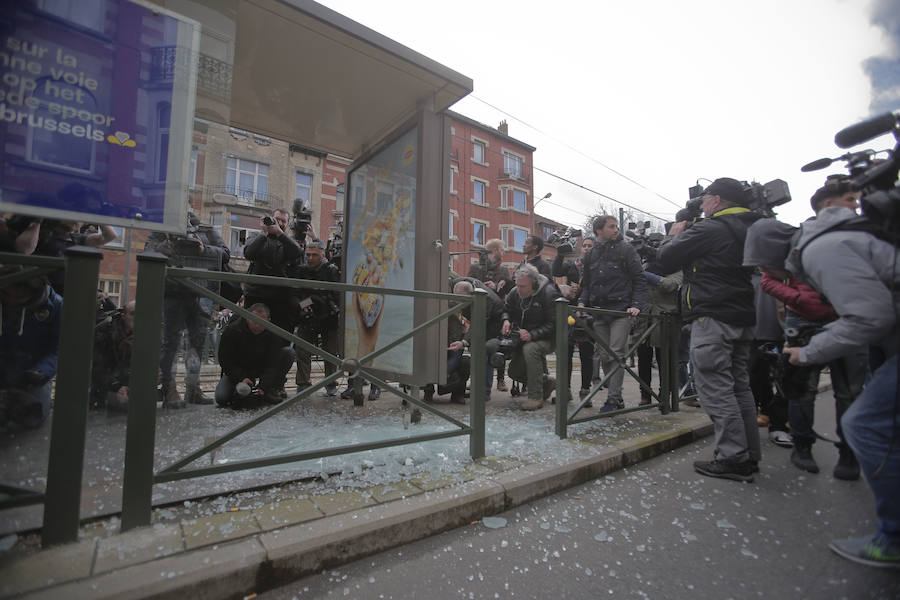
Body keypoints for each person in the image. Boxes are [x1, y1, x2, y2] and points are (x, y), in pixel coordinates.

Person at [780, 197, 899, 567]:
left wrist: (810, 351)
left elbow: (870, 317)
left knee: (865, 421)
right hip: (859, 333)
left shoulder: (822, 248)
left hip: (850, 329)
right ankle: (806, 447)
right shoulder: (843, 238)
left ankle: (893, 539)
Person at [657, 177, 763, 482]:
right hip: (742, 315)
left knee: (716, 388)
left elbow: (666, 259)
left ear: (716, 200)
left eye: (704, 200)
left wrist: (674, 235)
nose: (701, 206)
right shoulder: (750, 227)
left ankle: (732, 457)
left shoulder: (712, 228)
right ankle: (748, 454)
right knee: (739, 387)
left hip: (713, 317)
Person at [745, 215, 865, 479]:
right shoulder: (784, 259)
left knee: (849, 391)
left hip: (846, 319)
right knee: (800, 388)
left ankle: (849, 452)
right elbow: (767, 281)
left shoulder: (836, 248)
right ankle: (802, 446)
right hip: (802, 320)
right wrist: (800, 298)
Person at [145, 212, 230, 408]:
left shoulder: (206, 229)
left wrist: (203, 249)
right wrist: (170, 243)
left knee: (197, 343)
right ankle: (169, 389)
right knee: (170, 343)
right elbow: (148, 253)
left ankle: (193, 389)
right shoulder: (162, 230)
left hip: (201, 293)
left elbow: (225, 254)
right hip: (172, 293)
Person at [578, 215, 647, 412]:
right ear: (599, 230)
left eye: (616, 226)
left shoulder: (626, 249)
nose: (616, 229)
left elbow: (639, 278)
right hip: (599, 311)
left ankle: (613, 399)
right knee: (604, 355)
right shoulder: (591, 254)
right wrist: (582, 302)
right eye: (611, 226)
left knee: (616, 354)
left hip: (621, 310)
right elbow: (587, 283)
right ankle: (616, 393)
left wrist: (636, 305)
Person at [0, 270, 61, 429]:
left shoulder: (55, 306)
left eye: (19, 296)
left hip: (31, 373)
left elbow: (61, 347)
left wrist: (41, 371)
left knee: (32, 415)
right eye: (6, 294)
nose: (12, 300)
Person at [498, 263, 558, 410]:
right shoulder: (515, 292)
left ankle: (535, 397)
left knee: (531, 349)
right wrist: (506, 320)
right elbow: (506, 309)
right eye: (517, 285)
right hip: (524, 336)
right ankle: (547, 382)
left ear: (534, 283)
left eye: (523, 286)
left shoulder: (549, 294)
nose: (519, 289)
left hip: (549, 337)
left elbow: (554, 324)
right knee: (514, 372)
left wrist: (532, 335)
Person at [215, 303, 296, 408]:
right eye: (254, 320)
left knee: (288, 353)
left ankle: (273, 388)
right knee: (221, 398)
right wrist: (241, 377)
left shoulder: (273, 334)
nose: (258, 325)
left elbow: (272, 363)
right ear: (247, 318)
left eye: (262, 321)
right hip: (239, 369)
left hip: (261, 368)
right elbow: (225, 360)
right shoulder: (233, 330)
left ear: (268, 320)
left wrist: (263, 386)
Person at [291, 239, 341, 396]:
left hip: (328, 316)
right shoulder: (301, 270)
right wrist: (305, 304)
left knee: (330, 352)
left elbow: (337, 295)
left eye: (314, 255)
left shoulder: (331, 270)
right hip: (308, 315)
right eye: (308, 255)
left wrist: (315, 300)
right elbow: (295, 294)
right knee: (302, 350)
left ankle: (331, 382)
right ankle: (303, 383)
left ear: (323, 255)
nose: (310, 258)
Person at [243, 209, 303, 336]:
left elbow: (296, 252)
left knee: (279, 335)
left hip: (280, 297)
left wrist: (280, 233)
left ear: (287, 224)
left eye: (283, 221)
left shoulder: (288, 241)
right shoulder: (256, 237)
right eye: (277, 219)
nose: (279, 223)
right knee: (251, 332)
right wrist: (264, 234)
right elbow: (249, 253)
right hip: (256, 294)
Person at [467, 238, 514, 393]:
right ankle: (475, 379)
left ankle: (500, 379)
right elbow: (468, 285)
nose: (504, 252)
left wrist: (496, 287)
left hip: (497, 314)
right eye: (502, 249)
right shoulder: (476, 267)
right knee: (476, 347)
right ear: (495, 250)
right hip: (479, 312)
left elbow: (508, 290)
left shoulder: (504, 270)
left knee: (497, 346)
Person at [553, 235, 595, 403]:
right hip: (569, 312)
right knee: (566, 352)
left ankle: (585, 391)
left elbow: (600, 288)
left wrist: (582, 290)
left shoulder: (597, 266)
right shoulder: (572, 264)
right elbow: (556, 271)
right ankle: (565, 390)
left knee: (586, 354)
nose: (586, 248)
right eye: (584, 245)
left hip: (587, 313)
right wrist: (560, 254)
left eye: (590, 246)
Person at [91, 301, 136, 412]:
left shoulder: (145, 333)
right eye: (133, 314)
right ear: (123, 316)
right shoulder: (106, 332)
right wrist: (117, 387)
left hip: (124, 386)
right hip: (103, 387)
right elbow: (97, 367)